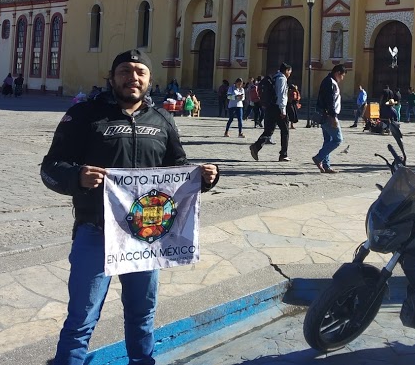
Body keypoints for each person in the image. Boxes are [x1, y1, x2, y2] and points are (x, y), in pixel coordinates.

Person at [40, 48, 219, 365]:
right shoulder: (84, 116)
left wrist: (204, 178)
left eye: (140, 72)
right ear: (111, 77)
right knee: (82, 316)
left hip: (145, 238)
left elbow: (177, 170)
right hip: (96, 233)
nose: (132, 77)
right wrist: (76, 177)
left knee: (142, 313)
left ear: (150, 79)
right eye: (124, 71)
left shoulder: (162, 120)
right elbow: (50, 168)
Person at [249, 63, 292, 162]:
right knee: (285, 131)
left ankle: (256, 147)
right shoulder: (282, 79)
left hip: (270, 107)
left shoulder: (274, 77)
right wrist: (283, 110)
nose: (290, 74)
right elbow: (281, 95)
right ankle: (283, 154)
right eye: (289, 72)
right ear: (286, 71)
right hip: (278, 108)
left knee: (269, 130)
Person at [312, 64, 347, 173]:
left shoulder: (327, 81)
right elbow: (330, 101)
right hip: (328, 116)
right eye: (342, 76)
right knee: (338, 139)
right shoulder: (330, 83)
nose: (342, 79)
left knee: (328, 140)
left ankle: (326, 165)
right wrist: (333, 117)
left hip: (324, 115)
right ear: (337, 73)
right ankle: (319, 157)